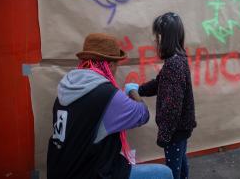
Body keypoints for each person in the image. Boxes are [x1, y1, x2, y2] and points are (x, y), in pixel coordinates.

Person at [47, 33, 173, 179]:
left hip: (59, 172)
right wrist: (133, 91)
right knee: (164, 173)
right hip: (92, 173)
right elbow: (143, 114)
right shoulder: (107, 95)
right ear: (110, 64)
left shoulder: (65, 88)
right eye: (116, 65)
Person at [125, 12, 197, 179]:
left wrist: (164, 135)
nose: (155, 41)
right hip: (181, 127)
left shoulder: (174, 64)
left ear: (166, 38)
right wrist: (139, 89)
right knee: (180, 162)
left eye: (158, 36)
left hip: (175, 130)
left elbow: (172, 105)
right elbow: (160, 83)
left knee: (171, 170)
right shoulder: (178, 59)